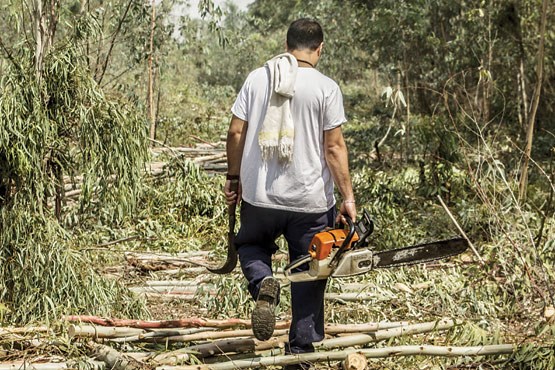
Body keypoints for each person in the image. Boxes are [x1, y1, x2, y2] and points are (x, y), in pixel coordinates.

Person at [224, 18, 356, 369]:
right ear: (320, 48)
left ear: (286, 44)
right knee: (311, 268)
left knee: (251, 246)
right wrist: (348, 198)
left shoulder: (258, 78)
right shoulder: (326, 88)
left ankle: (263, 282)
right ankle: (300, 353)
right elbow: (334, 148)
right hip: (310, 201)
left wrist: (234, 178)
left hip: (260, 196)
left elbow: (236, 132)